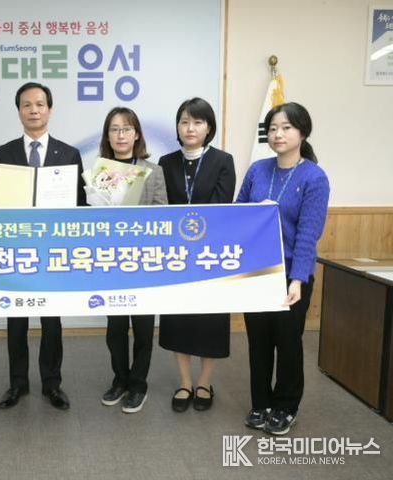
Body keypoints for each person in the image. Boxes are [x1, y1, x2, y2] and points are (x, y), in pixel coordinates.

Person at [0, 82, 86, 411]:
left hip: (52, 250)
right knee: (16, 320)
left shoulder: (69, 154)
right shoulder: (3, 154)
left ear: (50, 109)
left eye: (40, 104)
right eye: (27, 105)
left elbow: (79, 205)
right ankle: (17, 383)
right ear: (19, 111)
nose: (34, 110)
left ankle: (52, 383)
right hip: (16, 249)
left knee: (51, 321)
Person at [237, 102, 329, 435]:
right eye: (273, 128)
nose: (278, 134)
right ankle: (260, 402)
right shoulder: (257, 170)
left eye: (286, 127)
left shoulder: (314, 177)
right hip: (257, 271)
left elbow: (308, 234)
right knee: (258, 341)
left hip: (291, 274)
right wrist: (254, 212)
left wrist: (298, 279)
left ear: (303, 132)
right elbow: (237, 213)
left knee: (288, 342)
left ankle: (286, 406)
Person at [158, 97, 236, 412]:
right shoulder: (166, 162)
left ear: (208, 127)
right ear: (178, 127)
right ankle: (184, 382)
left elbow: (221, 208)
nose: (190, 128)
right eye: (184, 122)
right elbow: (161, 208)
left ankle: (204, 382)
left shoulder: (223, 161)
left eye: (198, 122)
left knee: (209, 321)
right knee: (178, 320)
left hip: (209, 256)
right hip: (176, 257)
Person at [97, 107, 167, 413]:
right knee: (115, 329)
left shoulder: (154, 171)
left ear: (136, 134)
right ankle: (120, 379)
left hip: (142, 262)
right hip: (111, 262)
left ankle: (138, 384)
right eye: (114, 129)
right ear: (107, 136)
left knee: (142, 328)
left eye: (126, 129)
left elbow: (162, 214)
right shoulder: (100, 171)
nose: (120, 135)